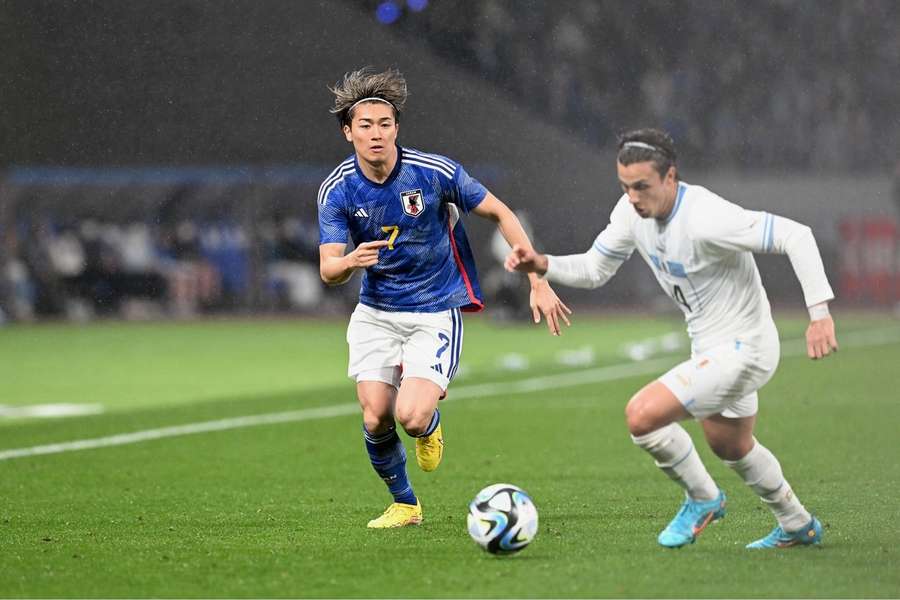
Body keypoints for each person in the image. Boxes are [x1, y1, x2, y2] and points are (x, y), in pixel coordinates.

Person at [506, 128, 838, 549]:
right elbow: (595, 269)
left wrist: (819, 314)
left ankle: (703, 498)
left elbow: (797, 235)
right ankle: (798, 524)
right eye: (625, 187)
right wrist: (543, 263)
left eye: (642, 186)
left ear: (671, 177)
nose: (633, 197)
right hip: (709, 348)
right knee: (731, 445)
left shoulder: (706, 216)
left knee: (642, 416)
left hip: (746, 347)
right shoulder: (631, 213)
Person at [318, 67, 570, 529]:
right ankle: (406, 504)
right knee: (375, 417)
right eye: (366, 126)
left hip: (433, 311)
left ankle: (429, 424)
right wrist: (351, 261)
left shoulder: (432, 172)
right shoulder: (337, 189)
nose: (376, 134)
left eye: (385, 124)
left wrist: (537, 279)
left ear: (396, 127)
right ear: (347, 131)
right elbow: (328, 269)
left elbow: (500, 212)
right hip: (375, 312)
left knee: (410, 417)